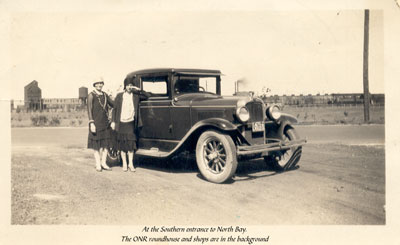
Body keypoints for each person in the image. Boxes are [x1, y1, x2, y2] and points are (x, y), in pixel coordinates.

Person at [111, 77, 150, 172]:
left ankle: (131, 164)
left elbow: (147, 96)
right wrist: (113, 121)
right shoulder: (119, 96)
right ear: (125, 86)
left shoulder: (136, 96)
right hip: (121, 123)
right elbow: (115, 109)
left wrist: (139, 89)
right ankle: (124, 164)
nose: (129, 87)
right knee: (122, 146)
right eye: (128, 85)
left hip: (130, 123)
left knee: (131, 145)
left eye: (131, 85)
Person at [87, 78, 114, 172]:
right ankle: (98, 164)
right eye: (97, 83)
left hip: (106, 123)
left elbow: (114, 104)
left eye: (101, 83)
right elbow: (89, 110)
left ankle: (104, 163)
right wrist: (91, 123)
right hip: (96, 124)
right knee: (96, 146)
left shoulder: (105, 95)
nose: (99, 85)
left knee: (106, 145)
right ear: (94, 85)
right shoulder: (91, 95)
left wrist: (119, 97)